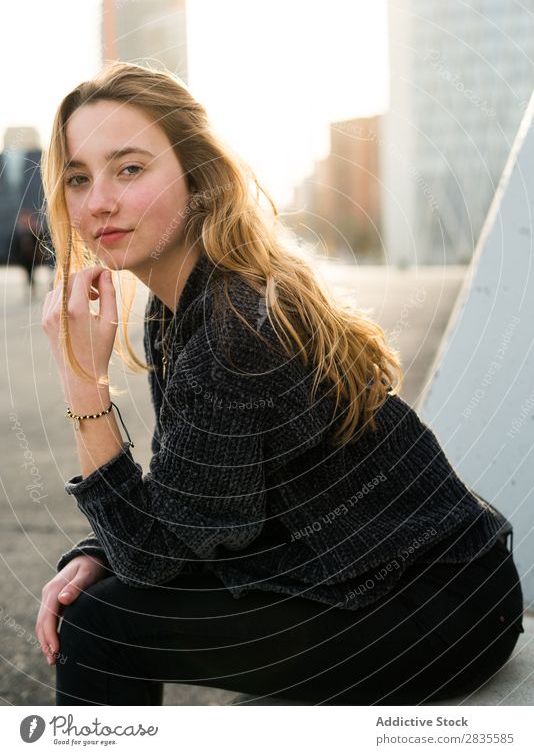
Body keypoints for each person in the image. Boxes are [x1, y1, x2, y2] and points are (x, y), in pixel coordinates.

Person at [35, 61, 524, 706]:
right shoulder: (183, 303)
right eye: (78, 177)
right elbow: (195, 498)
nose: (98, 201)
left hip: (427, 607)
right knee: (100, 594)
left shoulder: (233, 326)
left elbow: (154, 562)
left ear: (198, 178)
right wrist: (98, 548)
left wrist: (83, 386)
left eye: (129, 169)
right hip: (405, 583)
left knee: (99, 626)